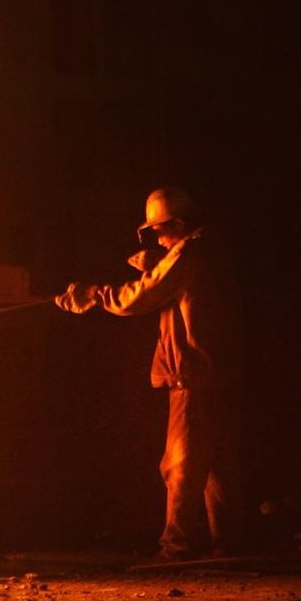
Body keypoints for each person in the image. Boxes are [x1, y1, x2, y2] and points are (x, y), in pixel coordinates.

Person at [56, 187, 243, 560]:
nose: (156, 238)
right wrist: (157, 261)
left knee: (181, 464)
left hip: (191, 373)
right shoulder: (207, 251)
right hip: (216, 375)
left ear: (177, 224)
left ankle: (178, 546)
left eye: (159, 231)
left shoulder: (188, 254)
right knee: (215, 466)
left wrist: (94, 294)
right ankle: (231, 542)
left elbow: (144, 295)